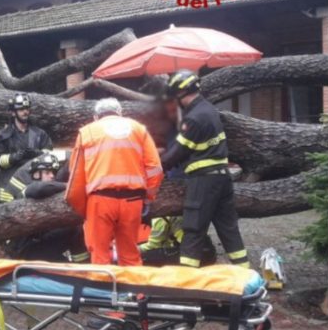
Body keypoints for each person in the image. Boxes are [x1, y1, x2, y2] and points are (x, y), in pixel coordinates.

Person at [160, 69, 249, 268]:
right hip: (223, 178)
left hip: (204, 180)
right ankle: (244, 273)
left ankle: (187, 280)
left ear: (180, 93)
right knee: (228, 229)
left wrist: (156, 164)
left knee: (193, 228)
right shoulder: (209, 110)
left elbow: (178, 152)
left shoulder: (194, 118)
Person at [66, 98, 163, 266]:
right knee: (130, 254)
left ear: (96, 117)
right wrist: (147, 198)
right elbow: (155, 168)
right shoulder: (139, 130)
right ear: (120, 113)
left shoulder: (87, 132)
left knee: (100, 254)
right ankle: (136, 292)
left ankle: (105, 291)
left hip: (100, 201)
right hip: (132, 201)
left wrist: (82, 208)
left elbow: (76, 175)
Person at [1, 153, 90, 262]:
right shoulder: (28, 190)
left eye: (53, 173)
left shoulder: (44, 193)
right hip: (24, 250)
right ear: (37, 175)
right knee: (73, 232)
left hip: (36, 243)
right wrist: (69, 186)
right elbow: (38, 188)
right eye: (47, 172)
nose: (52, 176)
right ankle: (80, 267)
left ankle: (83, 266)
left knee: (74, 229)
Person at [0, 94, 53, 201]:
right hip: (9, 188)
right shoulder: (4, 136)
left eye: (26, 109)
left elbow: (50, 154)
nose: (25, 112)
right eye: (21, 109)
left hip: (33, 184)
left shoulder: (40, 134)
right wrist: (14, 157)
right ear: (13, 112)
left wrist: (37, 153)